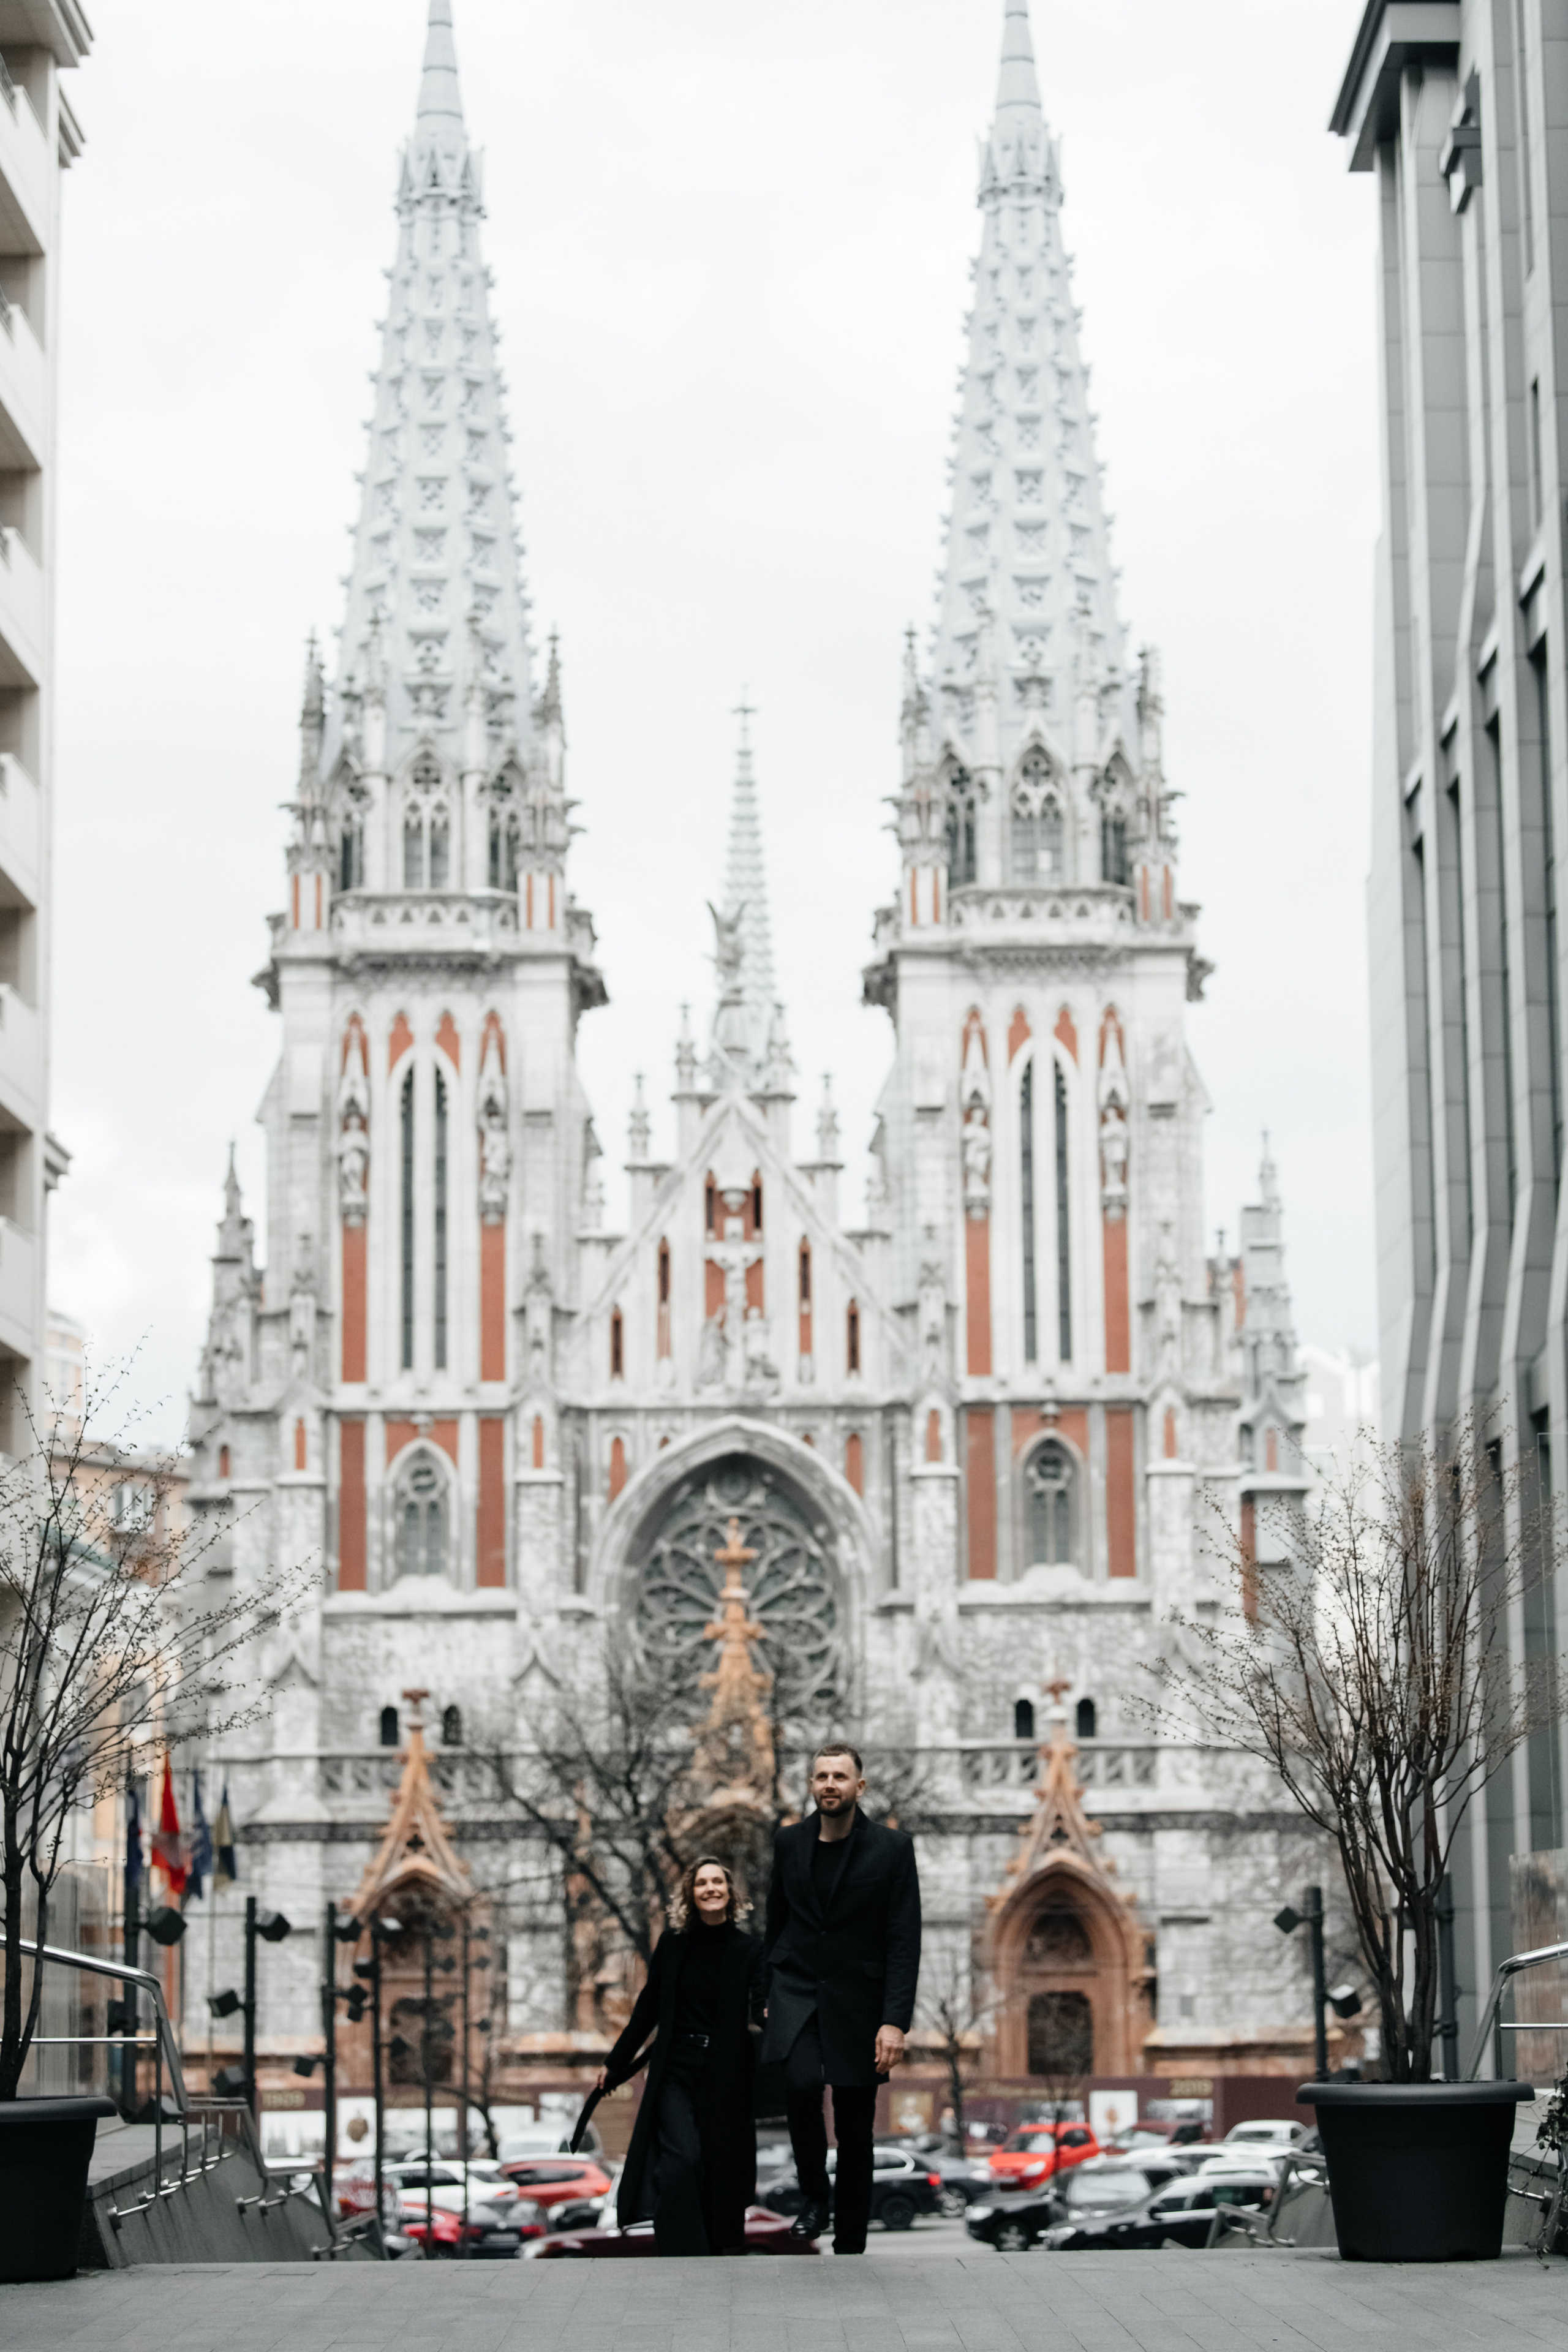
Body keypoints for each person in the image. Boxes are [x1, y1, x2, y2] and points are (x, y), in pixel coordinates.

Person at [760, 1742, 921, 2254]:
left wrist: (894, 2021)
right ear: (811, 1785)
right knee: (802, 2085)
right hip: (797, 1991)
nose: (830, 1784)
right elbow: (775, 1920)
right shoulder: (788, 1843)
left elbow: (903, 1939)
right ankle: (815, 2197)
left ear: (859, 1787)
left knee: (855, 2126)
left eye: (840, 1777)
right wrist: (765, 1992)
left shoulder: (892, 1849)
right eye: (822, 1776)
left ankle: (851, 2236)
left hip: (860, 2003)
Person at [595, 1855, 765, 2256]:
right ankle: (680, 2249)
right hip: (675, 2067)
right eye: (702, 1883)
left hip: (725, 2072)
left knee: (719, 2163)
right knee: (682, 2156)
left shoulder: (749, 1949)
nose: (710, 1889)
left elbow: (761, 2004)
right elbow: (648, 2007)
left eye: (718, 1882)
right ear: (691, 1894)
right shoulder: (673, 1944)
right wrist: (615, 2063)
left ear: (729, 1892)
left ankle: (717, 2250)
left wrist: (778, 2021)